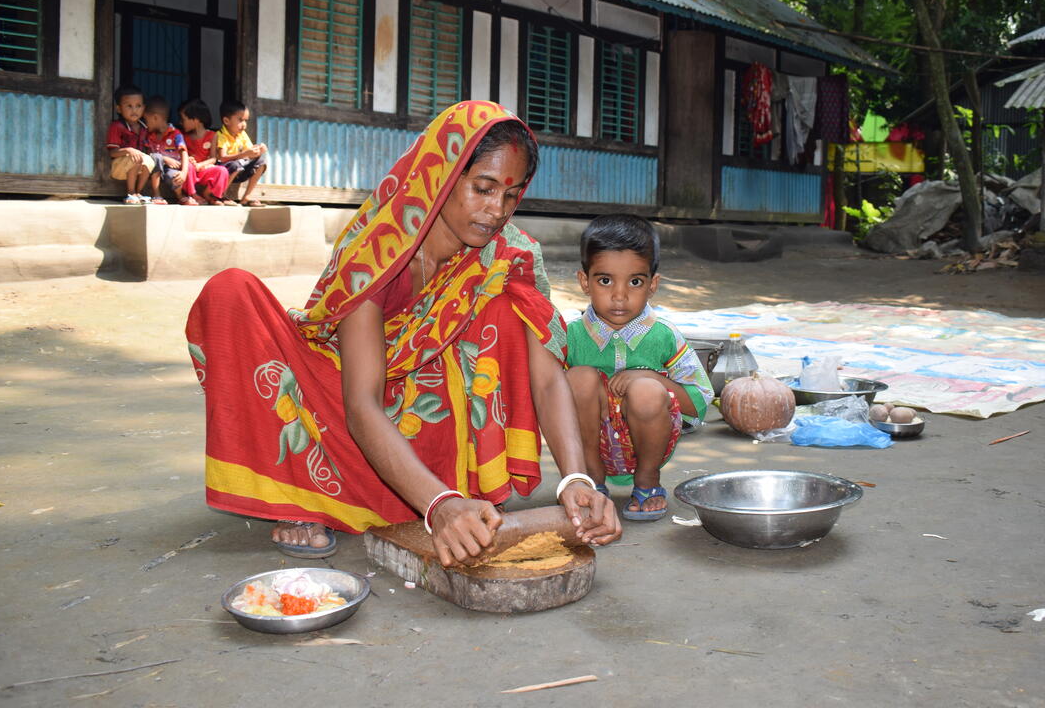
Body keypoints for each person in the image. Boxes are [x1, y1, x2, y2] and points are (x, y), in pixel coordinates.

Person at [186, 101, 621, 564]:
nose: (496, 210)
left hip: (423, 413)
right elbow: (360, 403)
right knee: (229, 294)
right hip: (343, 398)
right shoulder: (380, 246)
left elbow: (548, 376)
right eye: (483, 188)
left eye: (511, 195)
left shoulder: (507, 254)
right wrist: (440, 506)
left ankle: (447, 490)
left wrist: (576, 480)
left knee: (506, 308)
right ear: (443, 175)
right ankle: (307, 496)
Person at [564, 214, 713, 521]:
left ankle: (647, 482)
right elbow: (544, 396)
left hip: (650, 442)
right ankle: (592, 482)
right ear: (584, 282)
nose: (620, 296)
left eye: (635, 282)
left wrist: (650, 376)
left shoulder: (663, 335)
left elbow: (699, 401)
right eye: (605, 281)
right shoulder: (571, 335)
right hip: (590, 444)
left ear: (653, 285)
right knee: (577, 379)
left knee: (646, 389)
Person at [106, 85, 160, 205]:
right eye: (129, 106)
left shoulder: (144, 127)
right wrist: (128, 150)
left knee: (150, 160)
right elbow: (112, 152)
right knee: (134, 158)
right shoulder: (117, 126)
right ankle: (130, 192)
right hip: (119, 167)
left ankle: (138, 192)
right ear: (119, 109)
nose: (134, 110)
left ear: (144, 108)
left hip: (138, 166)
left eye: (138, 106)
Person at [141, 96, 198, 205]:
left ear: (155, 118)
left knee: (174, 177)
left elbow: (184, 153)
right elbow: (147, 153)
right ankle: (156, 194)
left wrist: (183, 172)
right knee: (156, 157)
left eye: (146, 120)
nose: (145, 123)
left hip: (171, 169)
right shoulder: (149, 135)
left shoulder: (175, 134)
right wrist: (164, 158)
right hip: (155, 169)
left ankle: (180, 196)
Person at [177, 98, 232, 206]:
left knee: (222, 171)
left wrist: (201, 165)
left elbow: (213, 158)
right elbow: (181, 155)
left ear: (195, 120)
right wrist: (189, 160)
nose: (180, 122)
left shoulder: (212, 135)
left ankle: (210, 194)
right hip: (190, 171)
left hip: (203, 171)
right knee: (187, 165)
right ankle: (192, 194)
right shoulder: (183, 137)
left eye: (183, 119)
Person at [216, 99, 268, 207]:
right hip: (226, 172)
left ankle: (246, 197)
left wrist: (259, 150)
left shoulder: (242, 134)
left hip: (240, 171)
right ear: (226, 121)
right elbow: (222, 158)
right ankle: (220, 195)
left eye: (246, 120)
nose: (244, 125)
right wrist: (244, 154)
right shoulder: (221, 135)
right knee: (236, 164)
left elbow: (250, 152)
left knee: (261, 162)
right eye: (240, 120)